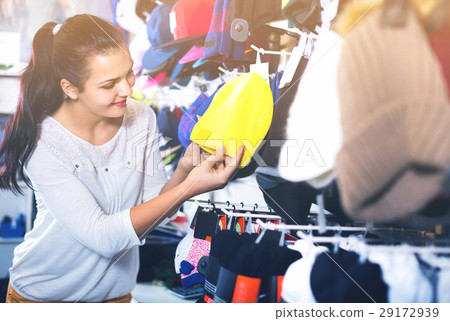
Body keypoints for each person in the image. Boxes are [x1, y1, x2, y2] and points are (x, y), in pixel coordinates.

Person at [0, 14, 244, 303]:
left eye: (129, 73)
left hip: (116, 298)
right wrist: (190, 187)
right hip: (44, 299)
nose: (128, 89)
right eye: (109, 84)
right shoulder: (43, 142)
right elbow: (102, 237)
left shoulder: (141, 117)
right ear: (70, 88)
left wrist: (183, 171)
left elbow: (153, 209)